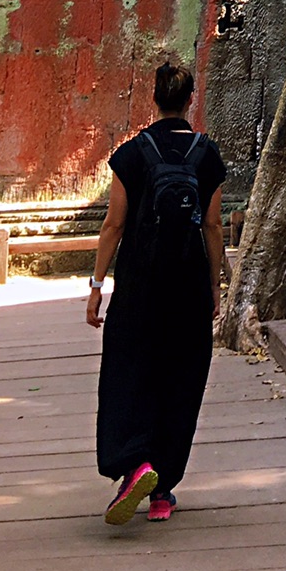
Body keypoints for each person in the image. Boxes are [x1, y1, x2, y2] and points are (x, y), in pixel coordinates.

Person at [87, 59, 226, 526]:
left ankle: (136, 463)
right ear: (190, 99)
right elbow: (211, 225)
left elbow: (114, 224)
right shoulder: (207, 156)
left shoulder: (131, 154)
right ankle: (162, 491)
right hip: (187, 284)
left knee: (131, 370)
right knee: (181, 378)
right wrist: (214, 286)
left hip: (140, 286)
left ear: (155, 98)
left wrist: (96, 285)